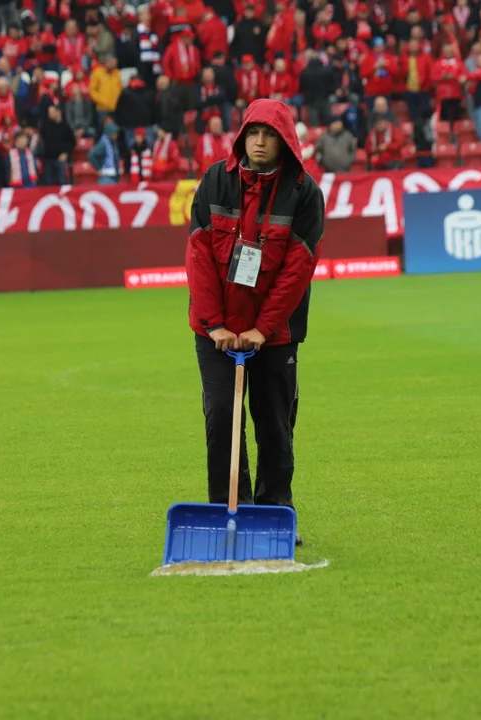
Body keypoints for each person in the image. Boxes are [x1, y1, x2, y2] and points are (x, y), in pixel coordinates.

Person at [184, 98, 325, 541]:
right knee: (222, 418)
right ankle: (230, 510)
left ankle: (274, 512)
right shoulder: (214, 181)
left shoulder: (304, 193)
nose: (260, 142)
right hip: (217, 332)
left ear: (286, 142)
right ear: (241, 136)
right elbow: (199, 256)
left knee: (275, 425)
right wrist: (215, 325)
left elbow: (297, 271)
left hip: (275, 334)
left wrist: (261, 329)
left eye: (270, 135)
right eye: (253, 133)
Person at [39, 104, 75, 186]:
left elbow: (72, 142)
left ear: (57, 112)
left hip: (60, 158)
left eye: (52, 112)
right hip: (47, 159)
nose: (50, 114)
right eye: (49, 113)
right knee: (48, 183)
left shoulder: (65, 126)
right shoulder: (45, 125)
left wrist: (66, 153)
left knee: (62, 182)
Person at [88, 120, 123, 184]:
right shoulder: (103, 144)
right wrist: (98, 168)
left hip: (114, 176)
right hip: (106, 178)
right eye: (115, 133)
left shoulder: (113, 143)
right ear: (110, 133)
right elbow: (91, 155)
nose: (116, 135)